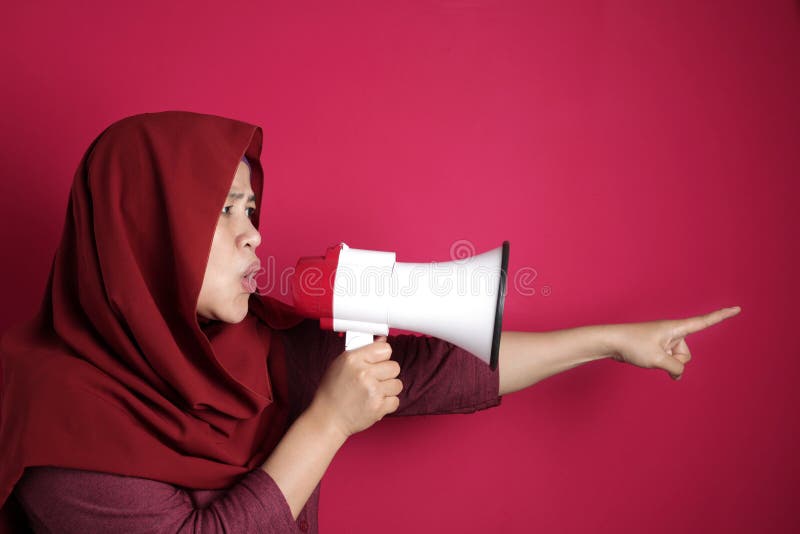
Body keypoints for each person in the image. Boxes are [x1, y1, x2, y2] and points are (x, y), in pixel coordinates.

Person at [0, 110, 741, 533]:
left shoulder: (242, 344)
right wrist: (325, 424)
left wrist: (609, 342)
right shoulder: (54, 426)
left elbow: (428, 374)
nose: (254, 233)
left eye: (251, 208)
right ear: (142, 230)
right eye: (221, 210)